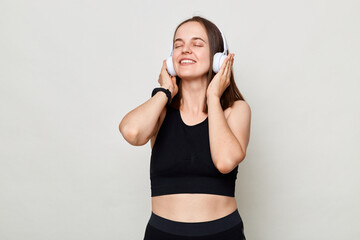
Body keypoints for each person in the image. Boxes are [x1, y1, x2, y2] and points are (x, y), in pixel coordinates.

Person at [119, 16, 251, 240]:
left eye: (197, 44)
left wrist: (213, 96)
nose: (185, 50)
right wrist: (164, 91)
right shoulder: (160, 107)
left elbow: (225, 161)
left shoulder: (235, 110)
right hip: (162, 234)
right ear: (171, 59)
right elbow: (132, 133)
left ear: (219, 58)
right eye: (178, 45)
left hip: (222, 233)